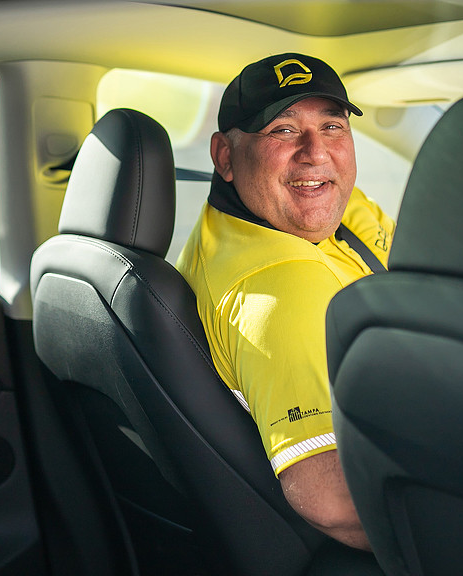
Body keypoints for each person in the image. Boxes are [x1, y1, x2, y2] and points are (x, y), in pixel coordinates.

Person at [177, 53, 394, 551]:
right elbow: (334, 501)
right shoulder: (279, 291)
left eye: (332, 126)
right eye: (283, 130)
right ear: (224, 157)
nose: (315, 153)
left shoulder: (326, 207)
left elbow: (439, 278)